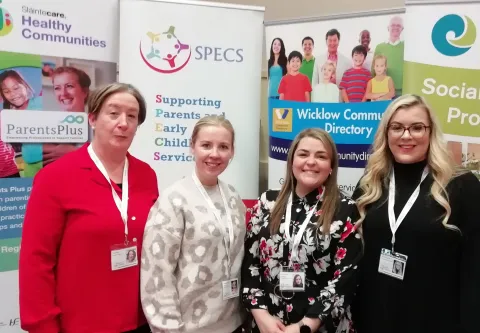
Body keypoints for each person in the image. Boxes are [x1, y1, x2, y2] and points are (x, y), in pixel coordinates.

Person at [18, 83, 159, 333]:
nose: (123, 123)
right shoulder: (56, 177)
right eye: (113, 113)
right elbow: (36, 259)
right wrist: (44, 326)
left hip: (141, 320)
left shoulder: (146, 175)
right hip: (80, 323)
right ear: (93, 119)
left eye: (132, 116)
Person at [352, 94, 480, 333]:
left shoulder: (461, 186)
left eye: (417, 127)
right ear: (386, 133)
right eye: (397, 127)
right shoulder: (370, 184)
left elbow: (474, 269)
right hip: (374, 318)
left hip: (435, 321)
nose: (406, 135)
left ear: (430, 132)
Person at [242, 128, 363, 333]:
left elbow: (346, 278)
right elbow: (249, 264)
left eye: (321, 156)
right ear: (291, 162)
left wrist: (305, 326)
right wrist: (260, 315)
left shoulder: (346, 209)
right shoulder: (266, 202)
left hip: (319, 326)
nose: (311, 161)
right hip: (267, 324)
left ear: (331, 167)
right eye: (303, 154)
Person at [141, 115, 246, 333]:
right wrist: (168, 328)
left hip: (234, 323)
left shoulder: (234, 198)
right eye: (206, 145)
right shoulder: (173, 200)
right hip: (189, 328)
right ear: (192, 147)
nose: (214, 154)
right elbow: (157, 274)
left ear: (232, 151)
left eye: (223, 146)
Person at [22, 66, 92, 177]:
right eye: (57, 88)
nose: (63, 93)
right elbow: (29, 155)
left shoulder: (97, 126)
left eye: (69, 86)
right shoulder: (46, 124)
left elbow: (108, 162)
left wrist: (75, 152)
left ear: (85, 92)